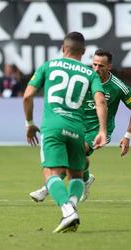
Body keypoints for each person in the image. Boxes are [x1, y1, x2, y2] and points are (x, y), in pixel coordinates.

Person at [23, 32, 107, 233]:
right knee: (76, 175)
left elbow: (27, 96)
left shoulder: (48, 66)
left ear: (63, 48)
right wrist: (102, 130)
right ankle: (71, 205)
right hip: (78, 129)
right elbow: (100, 101)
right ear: (84, 52)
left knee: (51, 173)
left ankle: (68, 212)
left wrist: (29, 123)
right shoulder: (90, 73)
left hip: (52, 126)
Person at [30, 49, 131, 203]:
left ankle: (46, 189)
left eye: (101, 66)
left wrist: (127, 136)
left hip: (98, 132)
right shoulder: (85, 78)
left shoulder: (118, 87)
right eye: (94, 64)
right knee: (79, 159)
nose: (96, 69)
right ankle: (86, 177)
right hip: (76, 126)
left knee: (72, 155)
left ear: (109, 66)